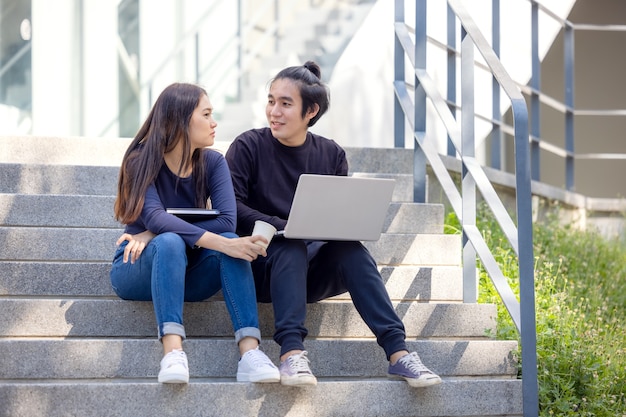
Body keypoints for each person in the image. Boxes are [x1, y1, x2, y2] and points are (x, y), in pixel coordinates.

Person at [224, 61, 442, 388]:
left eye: (285, 103)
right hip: (261, 269)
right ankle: (291, 355)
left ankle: (399, 354)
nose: (274, 111)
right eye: (271, 101)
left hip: (310, 274)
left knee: (350, 250)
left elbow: (336, 219)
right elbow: (231, 208)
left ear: (310, 111)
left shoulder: (331, 155)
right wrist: (284, 226)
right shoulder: (248, 146)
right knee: (290, 243)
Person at [110, 82, 280, 384]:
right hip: (136, 266)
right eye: (206, 114)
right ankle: (172, 352)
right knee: (175, 242)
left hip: (191, 271)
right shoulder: (141, 160)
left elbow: (227, 222)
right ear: (181, 120)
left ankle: (250, 352)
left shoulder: (213, 162)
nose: (214, 123)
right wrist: (155, 231)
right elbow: (154, 216)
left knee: (228, 240)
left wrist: (154, 229)